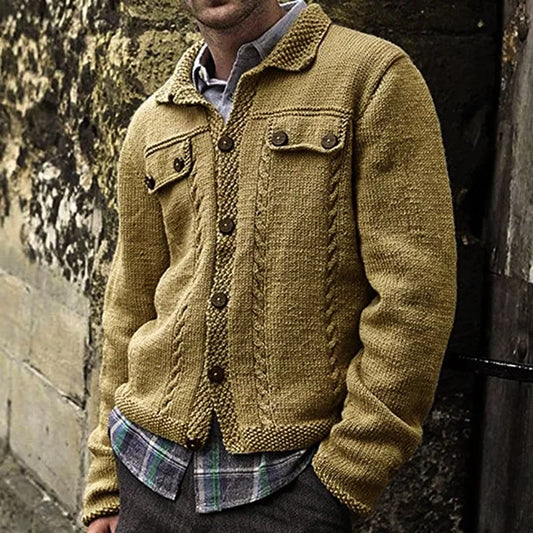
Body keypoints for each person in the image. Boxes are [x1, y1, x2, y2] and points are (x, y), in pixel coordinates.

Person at [81, 0, 457, 531]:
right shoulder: (152, 121)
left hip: (288, 491)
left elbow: (415, 296)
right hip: (145, 471)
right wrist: (106, 480)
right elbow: (129, 308)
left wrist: (345, 477)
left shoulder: (371, 77)